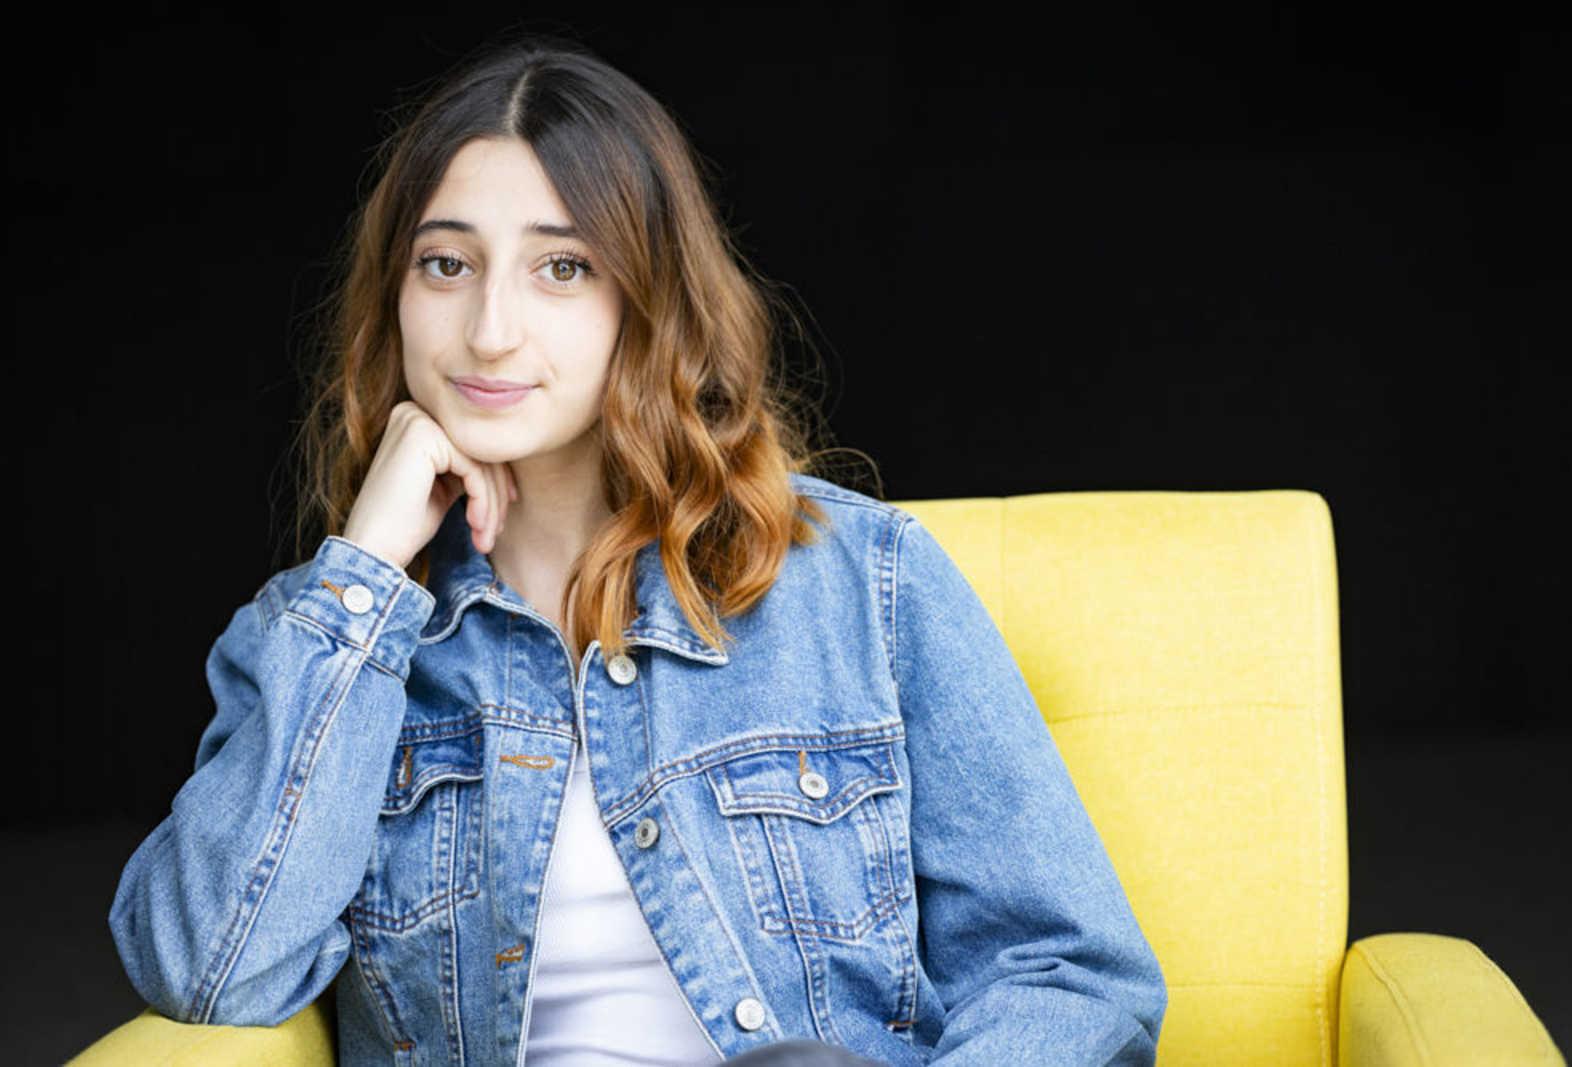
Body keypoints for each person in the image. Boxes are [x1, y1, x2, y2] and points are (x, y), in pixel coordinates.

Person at [108, 34, 1166, 1066]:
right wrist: (371, 569)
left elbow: (1070, 973)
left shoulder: (862, 582)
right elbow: (209, 968)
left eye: (561, 267)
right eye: (446, 264)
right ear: (396, 294)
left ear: (647, 301)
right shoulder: (319, 632)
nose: (489, 329)